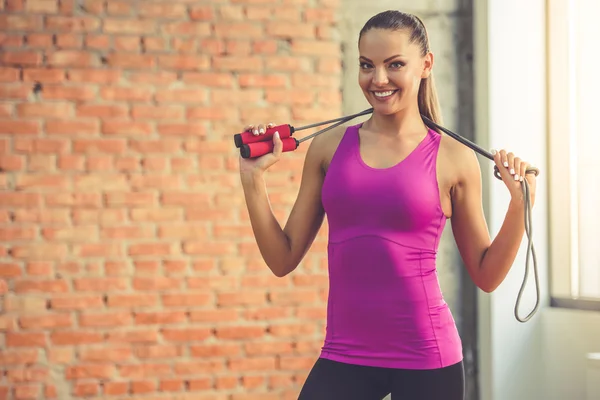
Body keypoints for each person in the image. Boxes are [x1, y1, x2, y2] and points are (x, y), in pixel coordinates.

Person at [238, 10, 537, 400]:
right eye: (367, 65)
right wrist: (252, 178)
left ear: (426, 65)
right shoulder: (328, 149)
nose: (378, 79)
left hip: (427, 357)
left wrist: (519, 205)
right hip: (345, 354)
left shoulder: (453, 157)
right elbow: (283, 258)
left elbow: (486, 274)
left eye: (394, 64)